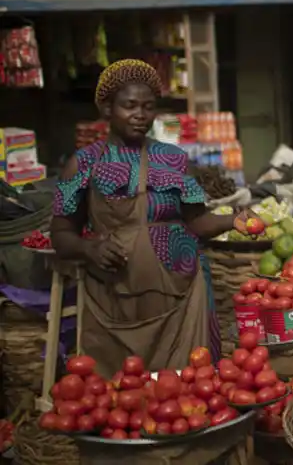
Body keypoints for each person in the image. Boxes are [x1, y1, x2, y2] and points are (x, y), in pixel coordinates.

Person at [50, 59, 254, 377]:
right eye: (129, 106)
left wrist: (233, 220)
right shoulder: (84, 164)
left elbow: (196, 221)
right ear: (107, 109)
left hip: (183, 297)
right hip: (116, 302)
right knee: (122, 398)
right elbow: (61, 232)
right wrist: (89, 249)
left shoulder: (173, 159)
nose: (140, 115)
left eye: (148, 107)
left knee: (190, 393)